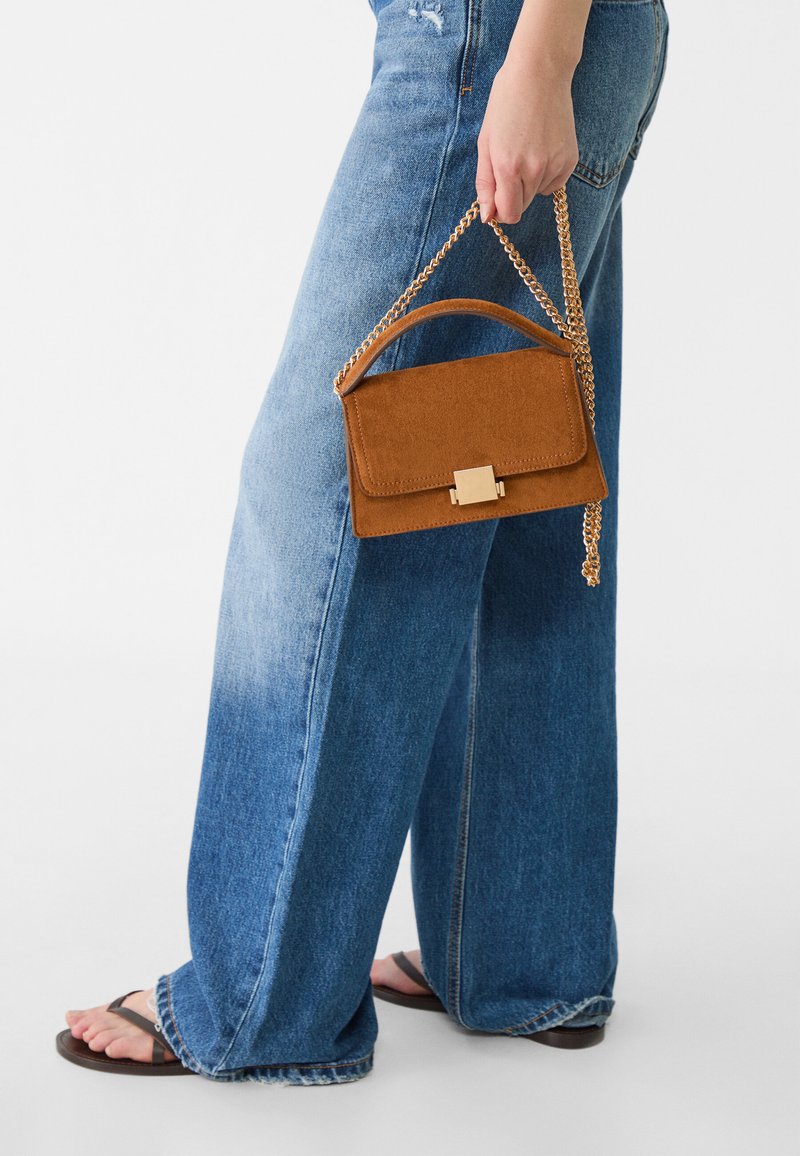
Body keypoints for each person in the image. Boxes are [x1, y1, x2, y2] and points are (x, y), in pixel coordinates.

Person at [56, 0, 669, 1083]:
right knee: (514, 464)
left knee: (321, 480)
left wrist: (541, 54)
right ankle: (523, 956)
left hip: (494, 38)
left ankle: (263, 1000)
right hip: (550, 35)